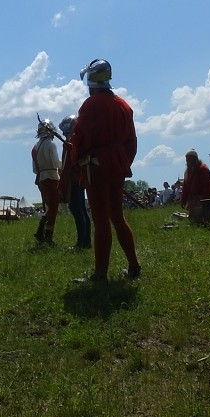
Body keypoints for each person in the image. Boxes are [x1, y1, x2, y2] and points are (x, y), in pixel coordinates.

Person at [69, 59, 141, 282]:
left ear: (91, 79)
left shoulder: (91, 105)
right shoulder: (124, 105)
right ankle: (133, 266)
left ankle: (100, 274)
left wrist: (77, 157)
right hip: (117, 165)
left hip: (97, 166)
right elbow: (131, 142)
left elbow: (81, 137)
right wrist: (120, 162)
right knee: (117, 217)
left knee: (101, 220)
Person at [59, 115, 91, 249]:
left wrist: (63, 182)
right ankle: (86, 241)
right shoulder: (75, 140)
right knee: (82, 211)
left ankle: (81, 243)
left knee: (77, 211)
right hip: (79, 178)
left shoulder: (71, 141)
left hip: (73, 179)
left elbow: (67, 164)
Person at [32, 117, 62, 245]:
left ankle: (42, 232)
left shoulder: (35, 146)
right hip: (52, 177)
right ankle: (46, 235)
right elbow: (56, 163)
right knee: (54, 208)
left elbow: (34, 169)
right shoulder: (51, 144)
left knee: (51, 207)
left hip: (41, 178)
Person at [181, 149, 210, 225]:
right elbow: (185, 188)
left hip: (203, 198)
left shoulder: (203, 169)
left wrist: (205, 199)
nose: (188, 161)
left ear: (195, 158)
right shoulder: (187, 172)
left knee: (207, 217)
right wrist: (183, 200)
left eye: (190, 158)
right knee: (195, 219)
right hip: (193, 200)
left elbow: (208, 186)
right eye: (187, 159)